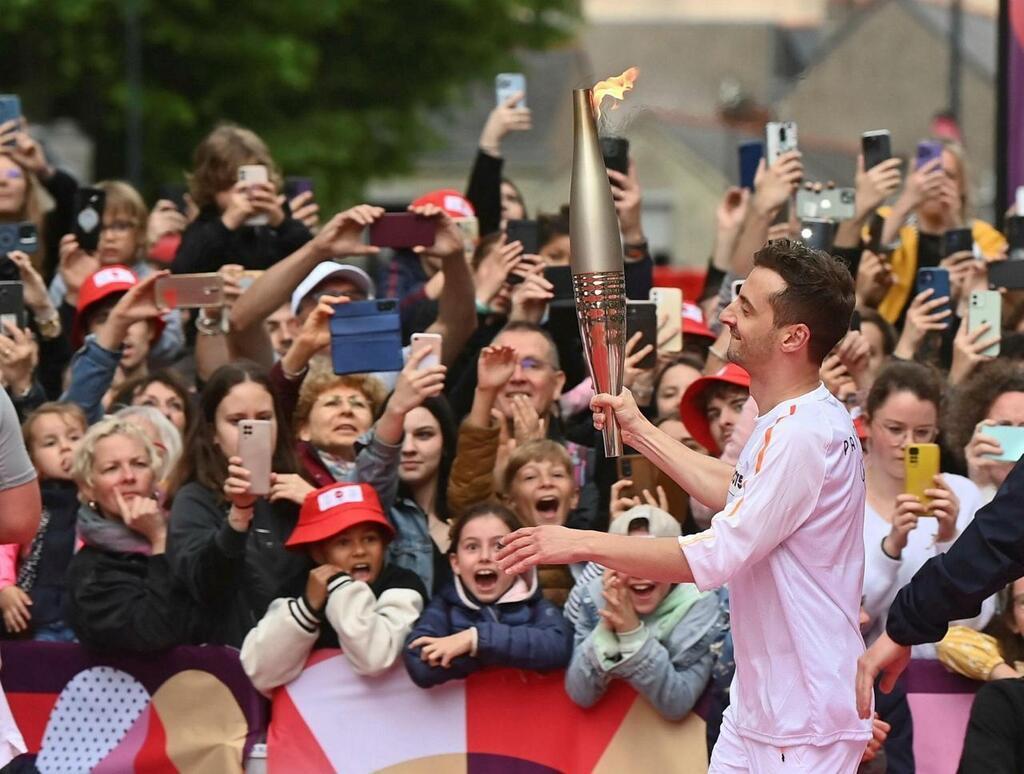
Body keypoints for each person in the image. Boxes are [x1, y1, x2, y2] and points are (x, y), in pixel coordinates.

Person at [498, 239, 873, 771]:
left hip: (805, 718)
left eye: (746, 308)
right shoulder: (786, 421)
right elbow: (738, 493)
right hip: (759, 709)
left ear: (794, 336)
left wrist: (580, 543)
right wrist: (639, 429)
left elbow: (716, 555)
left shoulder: (805, 433)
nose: (727, 315)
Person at [165, 362, 309, 647]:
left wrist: (319, 508)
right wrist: (239, 516)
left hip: (303, 669)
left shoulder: (301, 489)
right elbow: (205, 586)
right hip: (228, 669)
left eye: (264, 418)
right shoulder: (193, 499)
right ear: (212, 433)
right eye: (237, 421)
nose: (253, 430)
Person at [239, 482, 427, 693]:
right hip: (315, 721)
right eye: (343, 543)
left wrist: (341, 588)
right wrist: (307, 609)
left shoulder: (402, 585)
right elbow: (261, 674)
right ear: (318, 553)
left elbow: (374, 659)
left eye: (370, 539)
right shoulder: (295, 590)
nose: (359, 551)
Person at [564, 505, 724, 720]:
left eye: (652, 560)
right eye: (628, 560)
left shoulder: (701, 603)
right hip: (608, 743)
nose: (641, 572)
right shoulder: (595, 595)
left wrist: (632, 634)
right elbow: (580, 694)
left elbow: (677, 703)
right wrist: (607, 626)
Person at [404, 503, 573, 688]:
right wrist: (498, 652)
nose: (484, 556)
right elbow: (418, 661)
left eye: (498, 546)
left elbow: (560, 646)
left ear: (519, 557)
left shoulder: (537, 608)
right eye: (472, 547)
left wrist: (475, 640)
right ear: (455, 563)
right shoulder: (443, 607)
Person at [66, 417, 198, 652]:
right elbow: (155, 633)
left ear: (155, 477)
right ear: (88, 488)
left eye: (139, 464)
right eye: (111, 468)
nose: (128, 476)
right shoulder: (91, 571)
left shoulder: (188, 535)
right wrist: (158, 538)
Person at [0, 402, 84, 642]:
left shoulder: (98, 501)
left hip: (84, 616)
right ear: (32, 462)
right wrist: (4, 587)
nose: (66, 447)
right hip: (34, 616)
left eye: (75, 437)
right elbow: (5, 545)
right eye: (50, 443)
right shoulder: (29, 503)